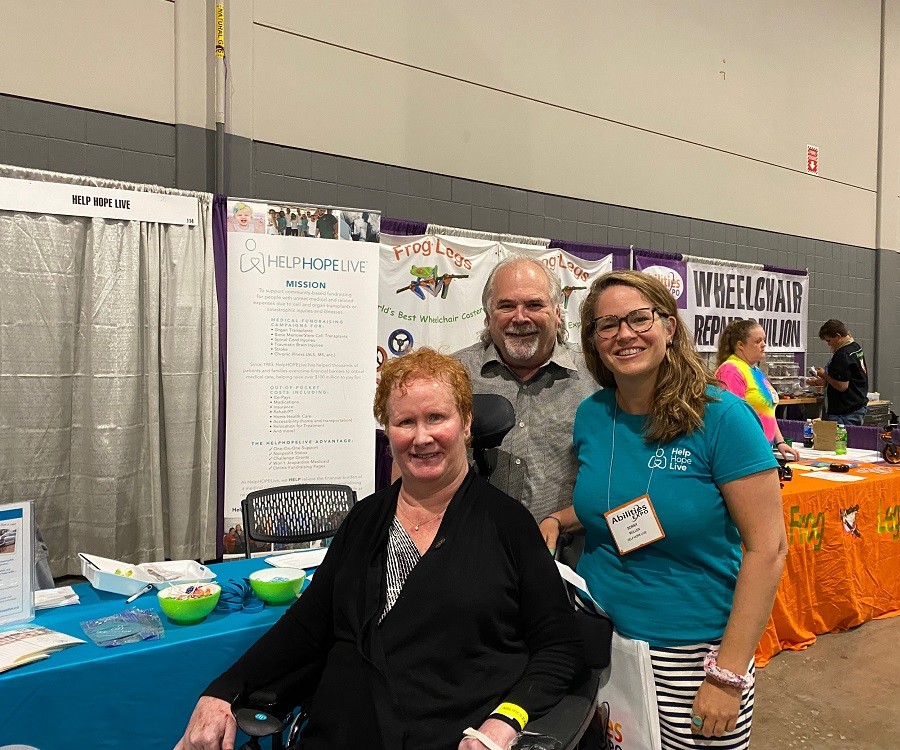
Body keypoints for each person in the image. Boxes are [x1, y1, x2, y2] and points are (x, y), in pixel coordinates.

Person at [174, 347, 583, 750]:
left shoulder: (508, 524)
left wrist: (505, 722)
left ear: (466, 423)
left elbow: (559, 646)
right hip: (341, 731)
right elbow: (308, 624)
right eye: (405, 421)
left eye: (436, 418)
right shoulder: (365, 519)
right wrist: (224, 690)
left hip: (454, 736)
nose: (422, 437)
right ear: (388, 432)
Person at [544, 270, 787, 749]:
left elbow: (770, 548)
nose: (625, 334)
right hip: (603, 641)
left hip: (693, 653)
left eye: (640, 318)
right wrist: (556, 519)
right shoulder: (594, 414)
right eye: (607, 325)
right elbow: (608, 505)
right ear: (593, 340)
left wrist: (728, 675)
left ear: (669, 327)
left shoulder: (720, 416)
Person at [452, 255, 598, 549]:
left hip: (567, 563)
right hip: (472, 553)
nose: (520, 317)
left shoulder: (596, 378)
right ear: (487, 316)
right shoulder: (452, 376)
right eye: (506, 306)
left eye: (534, 305)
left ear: (557, 313)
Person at [715, 318, 799, 462]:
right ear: (741, 345)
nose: (764, 345)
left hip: (761, 449)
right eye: (757, 341)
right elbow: (732, 418)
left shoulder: (755, 371)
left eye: (764, 340)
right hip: (743, 452)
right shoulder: (731, 371)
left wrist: (780, 442)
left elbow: (768, 411)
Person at [806, 319, 869, 425]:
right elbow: (845, 378)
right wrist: (819, 381)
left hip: (845, 412)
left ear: (838, 336)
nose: (828, 344)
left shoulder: (842, 355)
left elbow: (842, 386)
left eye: (829, 340)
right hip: (857, 405)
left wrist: (824, 375)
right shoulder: (855, 347)